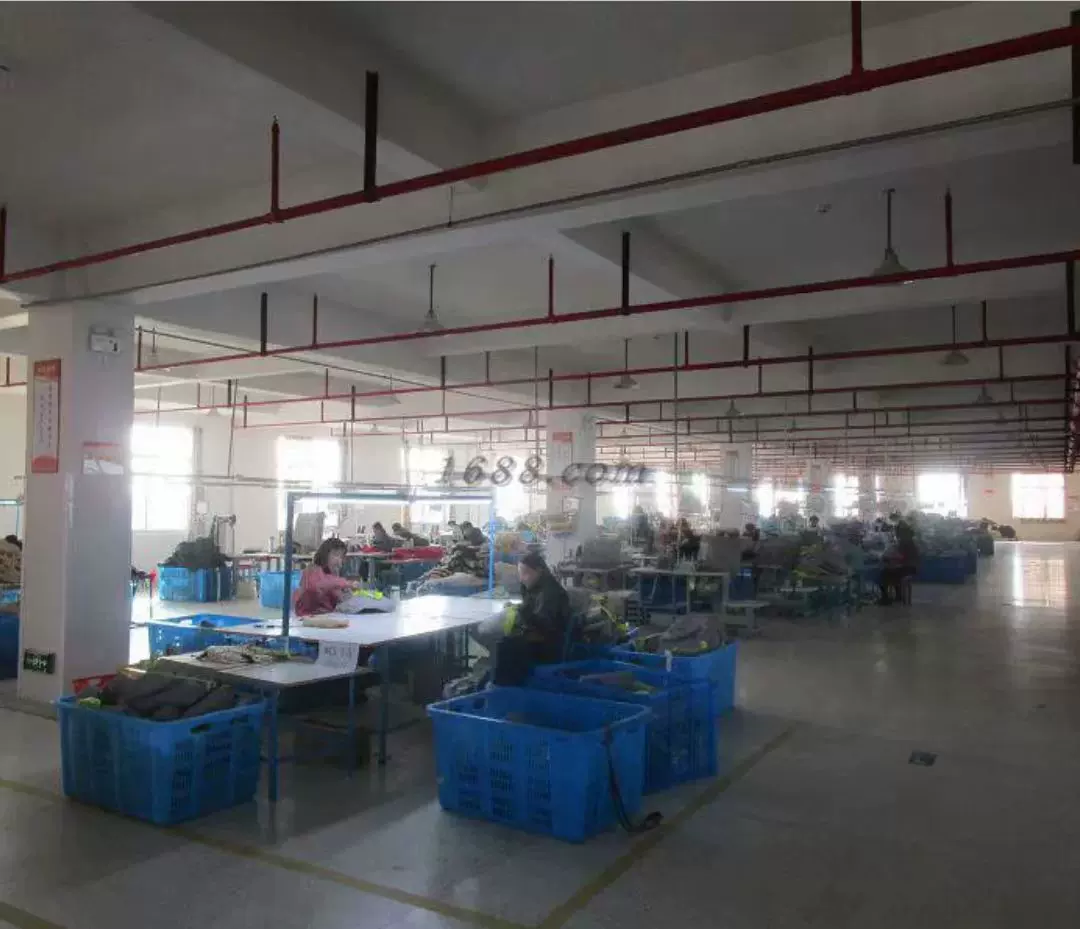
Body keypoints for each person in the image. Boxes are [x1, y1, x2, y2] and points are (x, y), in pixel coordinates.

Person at [493, 553, 573, 684]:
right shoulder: (535, 589)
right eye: (520, 574)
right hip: (540, 637)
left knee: (507, 645)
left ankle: (507, 685)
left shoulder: (550, 593)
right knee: (504, 641)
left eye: (525, 573)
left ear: (539, 571)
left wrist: (523, 612)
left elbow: (546, 627)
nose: (521, 579)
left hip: (549, 646)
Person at [294, 538, 353, 616]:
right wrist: (344, 583)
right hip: (308, 615)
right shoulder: (313, 569)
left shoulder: (333, 573)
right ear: (324, 554)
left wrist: (344, 593)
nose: (338, 560)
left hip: (326, 614)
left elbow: (338, 596)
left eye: (341, 557)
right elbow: (318, 585)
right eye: (335, 555)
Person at [879, 520, 919, 606]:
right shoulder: (910, 541)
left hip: (907, 568)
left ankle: (885, 597)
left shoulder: (904, 542)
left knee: (885, 573)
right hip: (912, 568)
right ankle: (898, 595)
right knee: (892, 572)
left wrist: (889, 558)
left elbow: (901, 557)